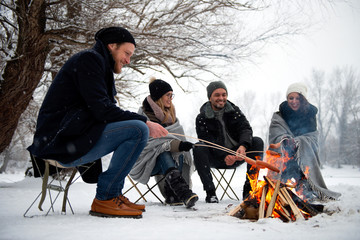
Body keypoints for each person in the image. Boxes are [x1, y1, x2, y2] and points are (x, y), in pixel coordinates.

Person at [27, 27, 168, 218]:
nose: (128, 60)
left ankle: (113, 195)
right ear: (111, 46)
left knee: (137, 128)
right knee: (138, 129)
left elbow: (102, 109)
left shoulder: (98, 65)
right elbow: (103, 110)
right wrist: (146, 121)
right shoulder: (89, 60)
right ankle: (106, 197)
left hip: (73, 138)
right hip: (59, 142)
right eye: (126, 53)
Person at [129, 78, 198, 208]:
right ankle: (181, 192)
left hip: (168, 164)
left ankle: (173, 195)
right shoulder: (144, 118)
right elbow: (149, 145)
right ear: (158, 97)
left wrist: (181, 145)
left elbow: (174, 139)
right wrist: (177, 145)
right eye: (168, 95)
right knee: (161, 153)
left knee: (179, 153)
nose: (171, 98)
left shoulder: (172, 117)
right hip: (146, 162)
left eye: (172, 95)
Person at [268, 82, 341, 201]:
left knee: (302, 151)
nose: (294, 101)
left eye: (298, 98)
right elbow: (275, 133)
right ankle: (278, 187)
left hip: (302, 157)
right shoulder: (280, 115)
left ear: (303, 100)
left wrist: (297, 142)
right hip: (285, 155)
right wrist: (286, 139)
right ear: (287, 99)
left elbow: (312, 138)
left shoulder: (310, 115)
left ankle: (304, 185)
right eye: (291, 98)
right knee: (287, 150)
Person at [193, 81, 264, 203]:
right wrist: (224, 156)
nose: (221, 98)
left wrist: (243, 146)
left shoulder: (235, 112)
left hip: (238, 154)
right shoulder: (202, 118)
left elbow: (246, 129)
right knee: (199, 147)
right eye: (217, 95)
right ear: (210, 97)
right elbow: (207, 141)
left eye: (224, 94)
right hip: (216, 157)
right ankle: (211, 193)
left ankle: (249, 189)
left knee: (257, 141)